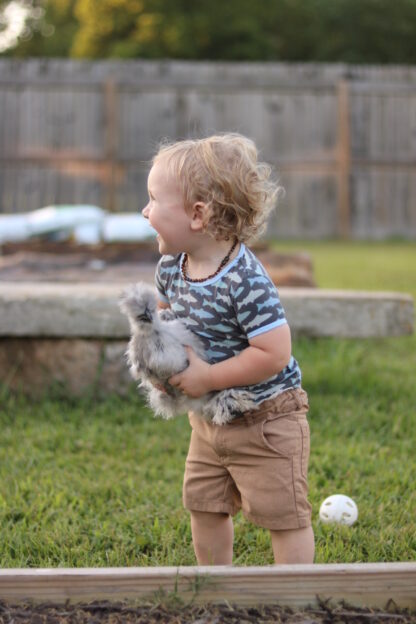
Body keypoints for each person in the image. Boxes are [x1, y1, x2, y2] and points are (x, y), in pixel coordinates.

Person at [142, 133, 314, 565]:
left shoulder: (246, 281)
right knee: (204, 504)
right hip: (209, 419)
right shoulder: (170, 268)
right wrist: (168, 373)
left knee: (283, 514)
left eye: (153, 200)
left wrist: (208, 378)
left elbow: (273, 353)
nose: (145, 212)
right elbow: (169, 327)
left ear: (198, 215)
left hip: (267, 419)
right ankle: (216, 588)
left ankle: (294, 598)